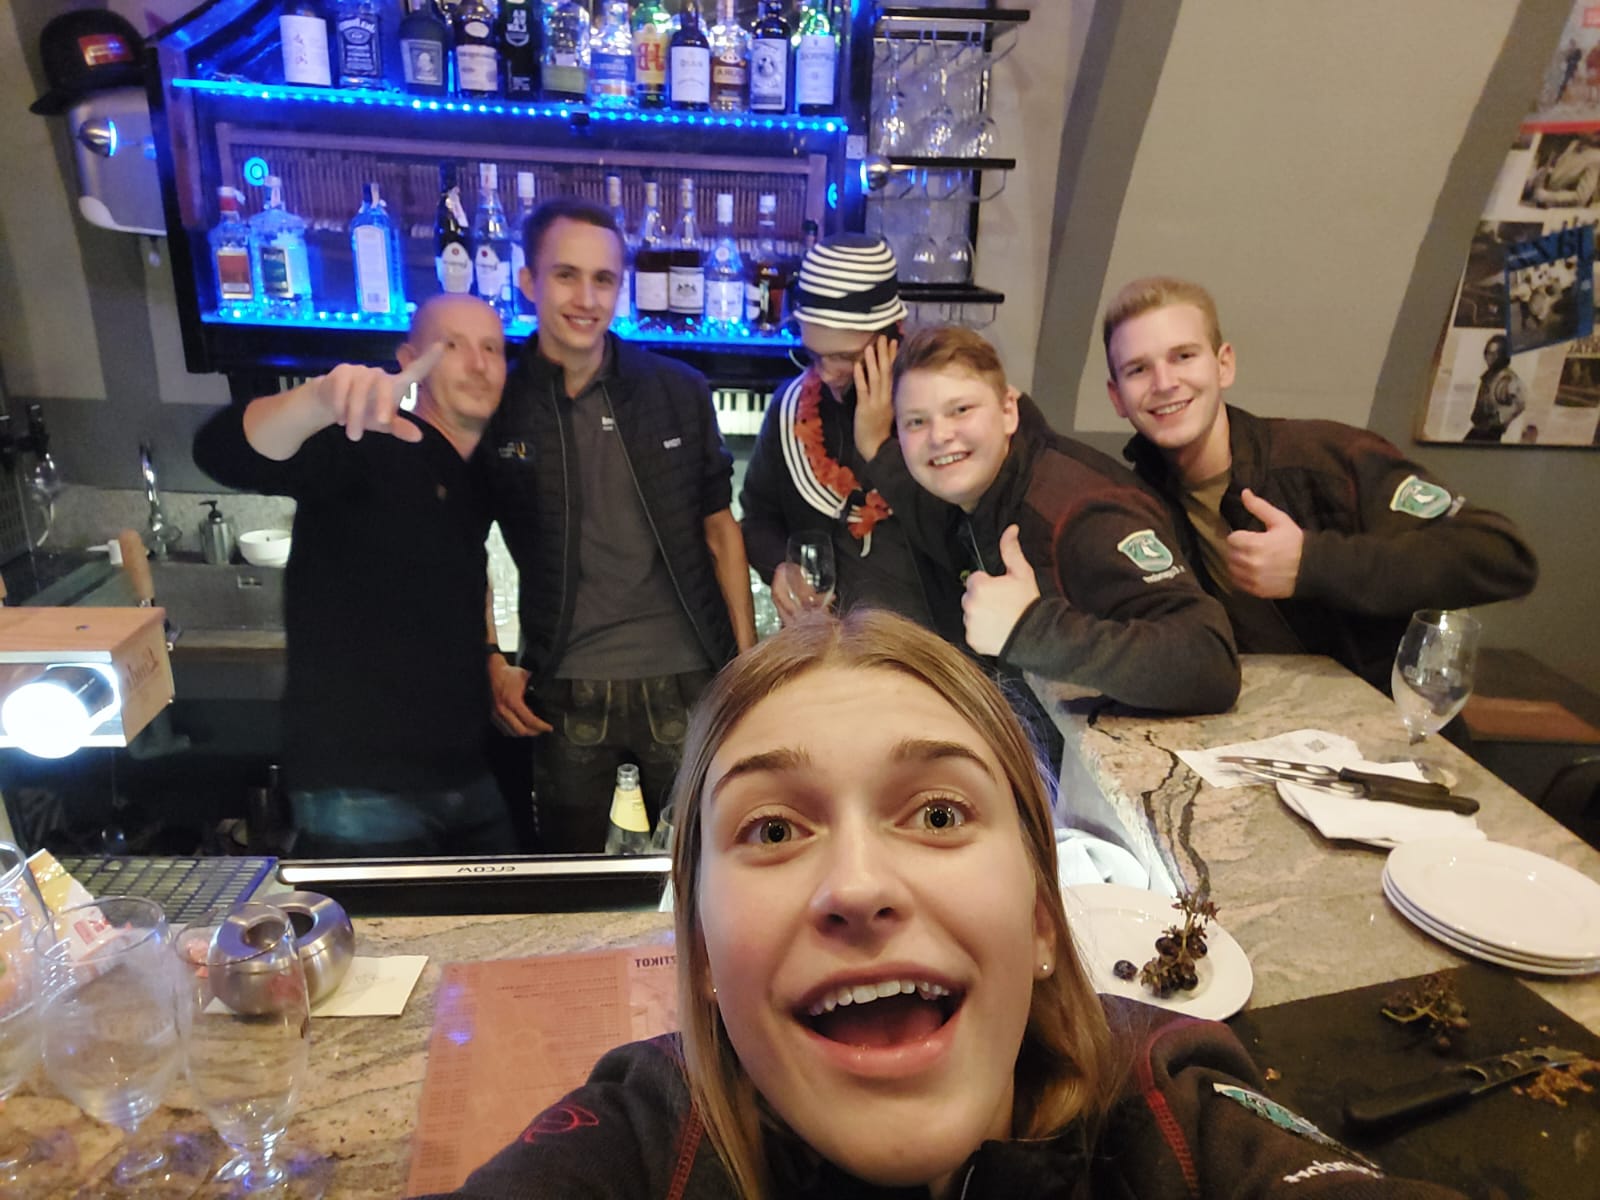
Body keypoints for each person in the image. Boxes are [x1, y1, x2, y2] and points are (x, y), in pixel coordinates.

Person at [423, 609, 1466, 1199]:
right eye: (773, 830)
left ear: (1044, 919)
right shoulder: (639, 1141)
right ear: (698, 951)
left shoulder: (1170, 1115)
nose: (859, 887)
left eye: (936, 813)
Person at [193, 294, 516, 856]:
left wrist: (490, 652)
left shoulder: (475, 471)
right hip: (361, 788)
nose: (477, 362)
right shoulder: (365, 440)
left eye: (491, 347)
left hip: (462, 773)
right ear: (409, 359)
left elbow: (464, 570)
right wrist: (318, 400)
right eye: (452, 345)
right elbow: (222, 451)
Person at [1103, 276, 1538, 690]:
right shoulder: (1137, 502)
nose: (1165, 383)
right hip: (1251, 724)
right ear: (1117, 397)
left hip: (1381, 727)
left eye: (1183, 356)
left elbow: (1501, 556)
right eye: (1138, 369)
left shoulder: (1325, 457)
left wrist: (1312, 563)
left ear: (1223, 365)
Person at [484, 196, 756, 853]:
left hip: (688, 678)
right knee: (570, 877)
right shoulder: (501, 400)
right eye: (566, 275)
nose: (586, 298)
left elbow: (721, 529)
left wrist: (747, 666)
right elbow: (460, 543)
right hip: (563, 686)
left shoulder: (678, 390)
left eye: (603, 279)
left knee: (703, 867)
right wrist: (488, 657)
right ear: (529, 281)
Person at [852, 325, 1240, 717]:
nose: (939, 436)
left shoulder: (1083, 511)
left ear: (1008, 411)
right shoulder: (972, 491)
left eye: (961, 410)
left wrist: (1029, 629)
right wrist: (875, 449)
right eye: (916, 422)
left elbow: (1210, 663)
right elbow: (926, 509)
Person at [739, 233, 935, 627]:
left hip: (917, 643)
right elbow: (758, 518)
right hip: (819, 640)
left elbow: (950, 533)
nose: (826, 374)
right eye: (814, 355)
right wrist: (779, 565)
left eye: (845, 356)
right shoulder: (791, 408)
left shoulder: (938, 416)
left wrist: (878, 447)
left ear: (892, 336)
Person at [1464, 334, 1526, 443]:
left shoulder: (1507, 378)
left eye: (1494, 354)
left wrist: (1498, 420)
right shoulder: (1489, 376)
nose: (1490, 357)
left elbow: (1519, 403)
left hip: (1491, 431)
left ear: (1502, 355)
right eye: (1488, 353)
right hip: (1480, 427)